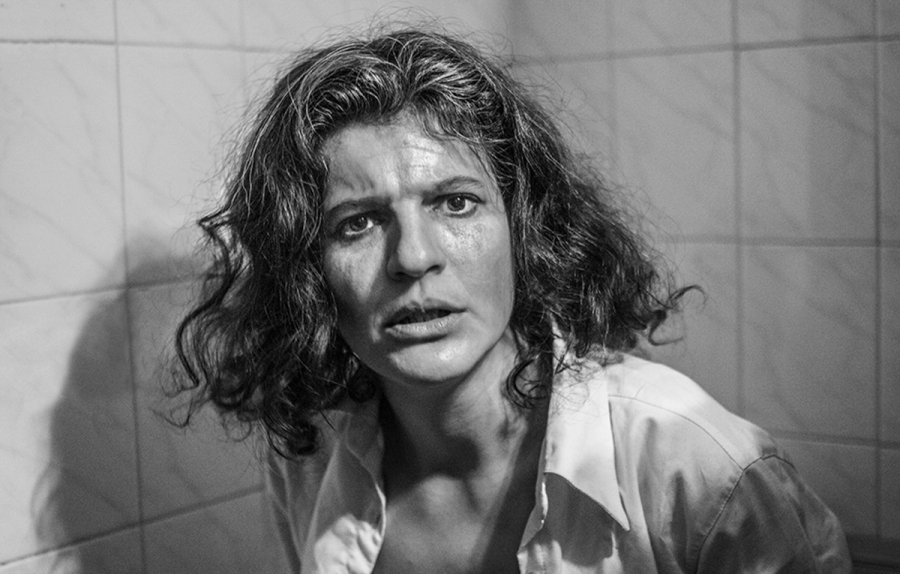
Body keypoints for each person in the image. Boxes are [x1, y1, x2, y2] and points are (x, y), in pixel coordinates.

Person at [173, 26, 852, 573]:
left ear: (524, 231)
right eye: (357, 223)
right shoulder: (309, 458)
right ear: (306, 271)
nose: (413, 257)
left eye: (455, 203)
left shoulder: (696, 467)